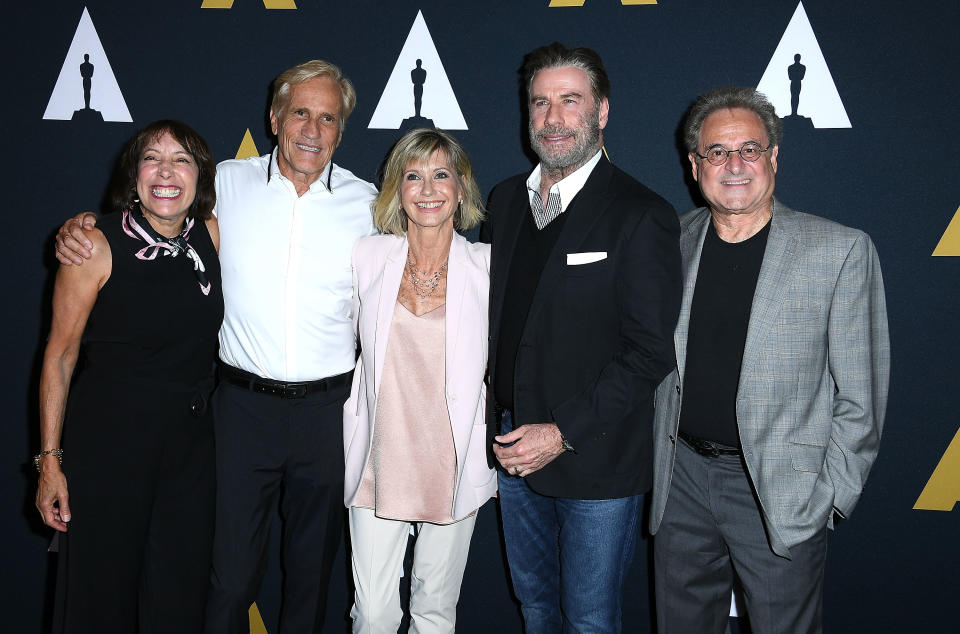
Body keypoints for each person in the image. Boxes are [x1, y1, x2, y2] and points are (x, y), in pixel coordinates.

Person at [54, 60, 377, 634]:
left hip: (330, 416)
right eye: (300, 112)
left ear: (341, 131)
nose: (312, 129)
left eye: (328, 118)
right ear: (275, 118)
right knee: (225, 580)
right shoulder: (225, 182)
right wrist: (81, 226)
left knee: (311, 580)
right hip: (240, 412)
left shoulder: (369, 204)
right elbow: (152, 213)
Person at [649, 86, 890, 633]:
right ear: (695, 165)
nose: (734, 165)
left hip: (778, 488)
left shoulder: (839, 251)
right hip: (681, 479)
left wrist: (826, 495)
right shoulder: (673, 240)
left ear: (774, 158)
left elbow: (862, 396)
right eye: (717, 152)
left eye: (750, 149)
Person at [481, 43, 682, 632]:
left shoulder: (640, 212)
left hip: (596, 456)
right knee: (536, 605)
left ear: (602, 112)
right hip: (513, 443)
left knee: (590, 619)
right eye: (539, 103)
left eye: (570, 101)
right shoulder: (505, 202)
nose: (552, 117)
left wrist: (562, 432)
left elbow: (650, 352)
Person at [37, 119, 221, 633]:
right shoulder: (93, 246)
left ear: (199, 176)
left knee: (178, 597)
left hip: (189, 452)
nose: (166, 171)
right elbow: (59, 356)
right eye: (152, 158)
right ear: (134, 172)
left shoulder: (209, 234)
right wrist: (50, 462)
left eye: (181, 159)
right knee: (101, 596)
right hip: (109, 448)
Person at [344, 128, 495, 633]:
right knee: (374, 613)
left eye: (440, 175)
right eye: (413, 176)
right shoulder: (366, 257)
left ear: (460, 187)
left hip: (451, 462)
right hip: (379, 461)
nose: (427, 189)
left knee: (434, 613)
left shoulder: (487, 268)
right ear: (396, 189)